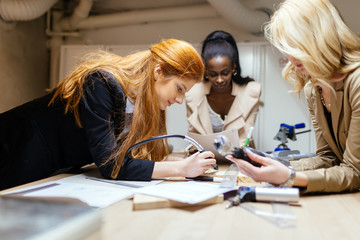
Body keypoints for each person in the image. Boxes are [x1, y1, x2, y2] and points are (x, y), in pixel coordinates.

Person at [0, 39, 216, 190]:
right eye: (179, 88)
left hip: (48, 159)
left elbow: (130, 154)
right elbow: (111, 165)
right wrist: (181, 168)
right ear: (158, 72)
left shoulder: (141, 103)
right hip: (15, 144)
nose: (179, 100)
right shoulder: (101, 83)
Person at [227, 0, 360, 193]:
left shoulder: (356, 82)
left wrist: (290, 177)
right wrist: (269, 165)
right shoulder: (313, 89)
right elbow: (328, 158)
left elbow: (354, 172)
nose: (290, 57)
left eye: (296, 45)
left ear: (320, 37)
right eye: (285, 46)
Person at [185, 30, 261, 150]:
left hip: (238, 159)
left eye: (225, 73)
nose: (219, 80)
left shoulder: (250, 92)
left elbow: (245, 137)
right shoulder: (192, 94)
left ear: (233, 67)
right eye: (213, 74)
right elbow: (194, 138)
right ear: (205, 71)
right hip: (207, 162)